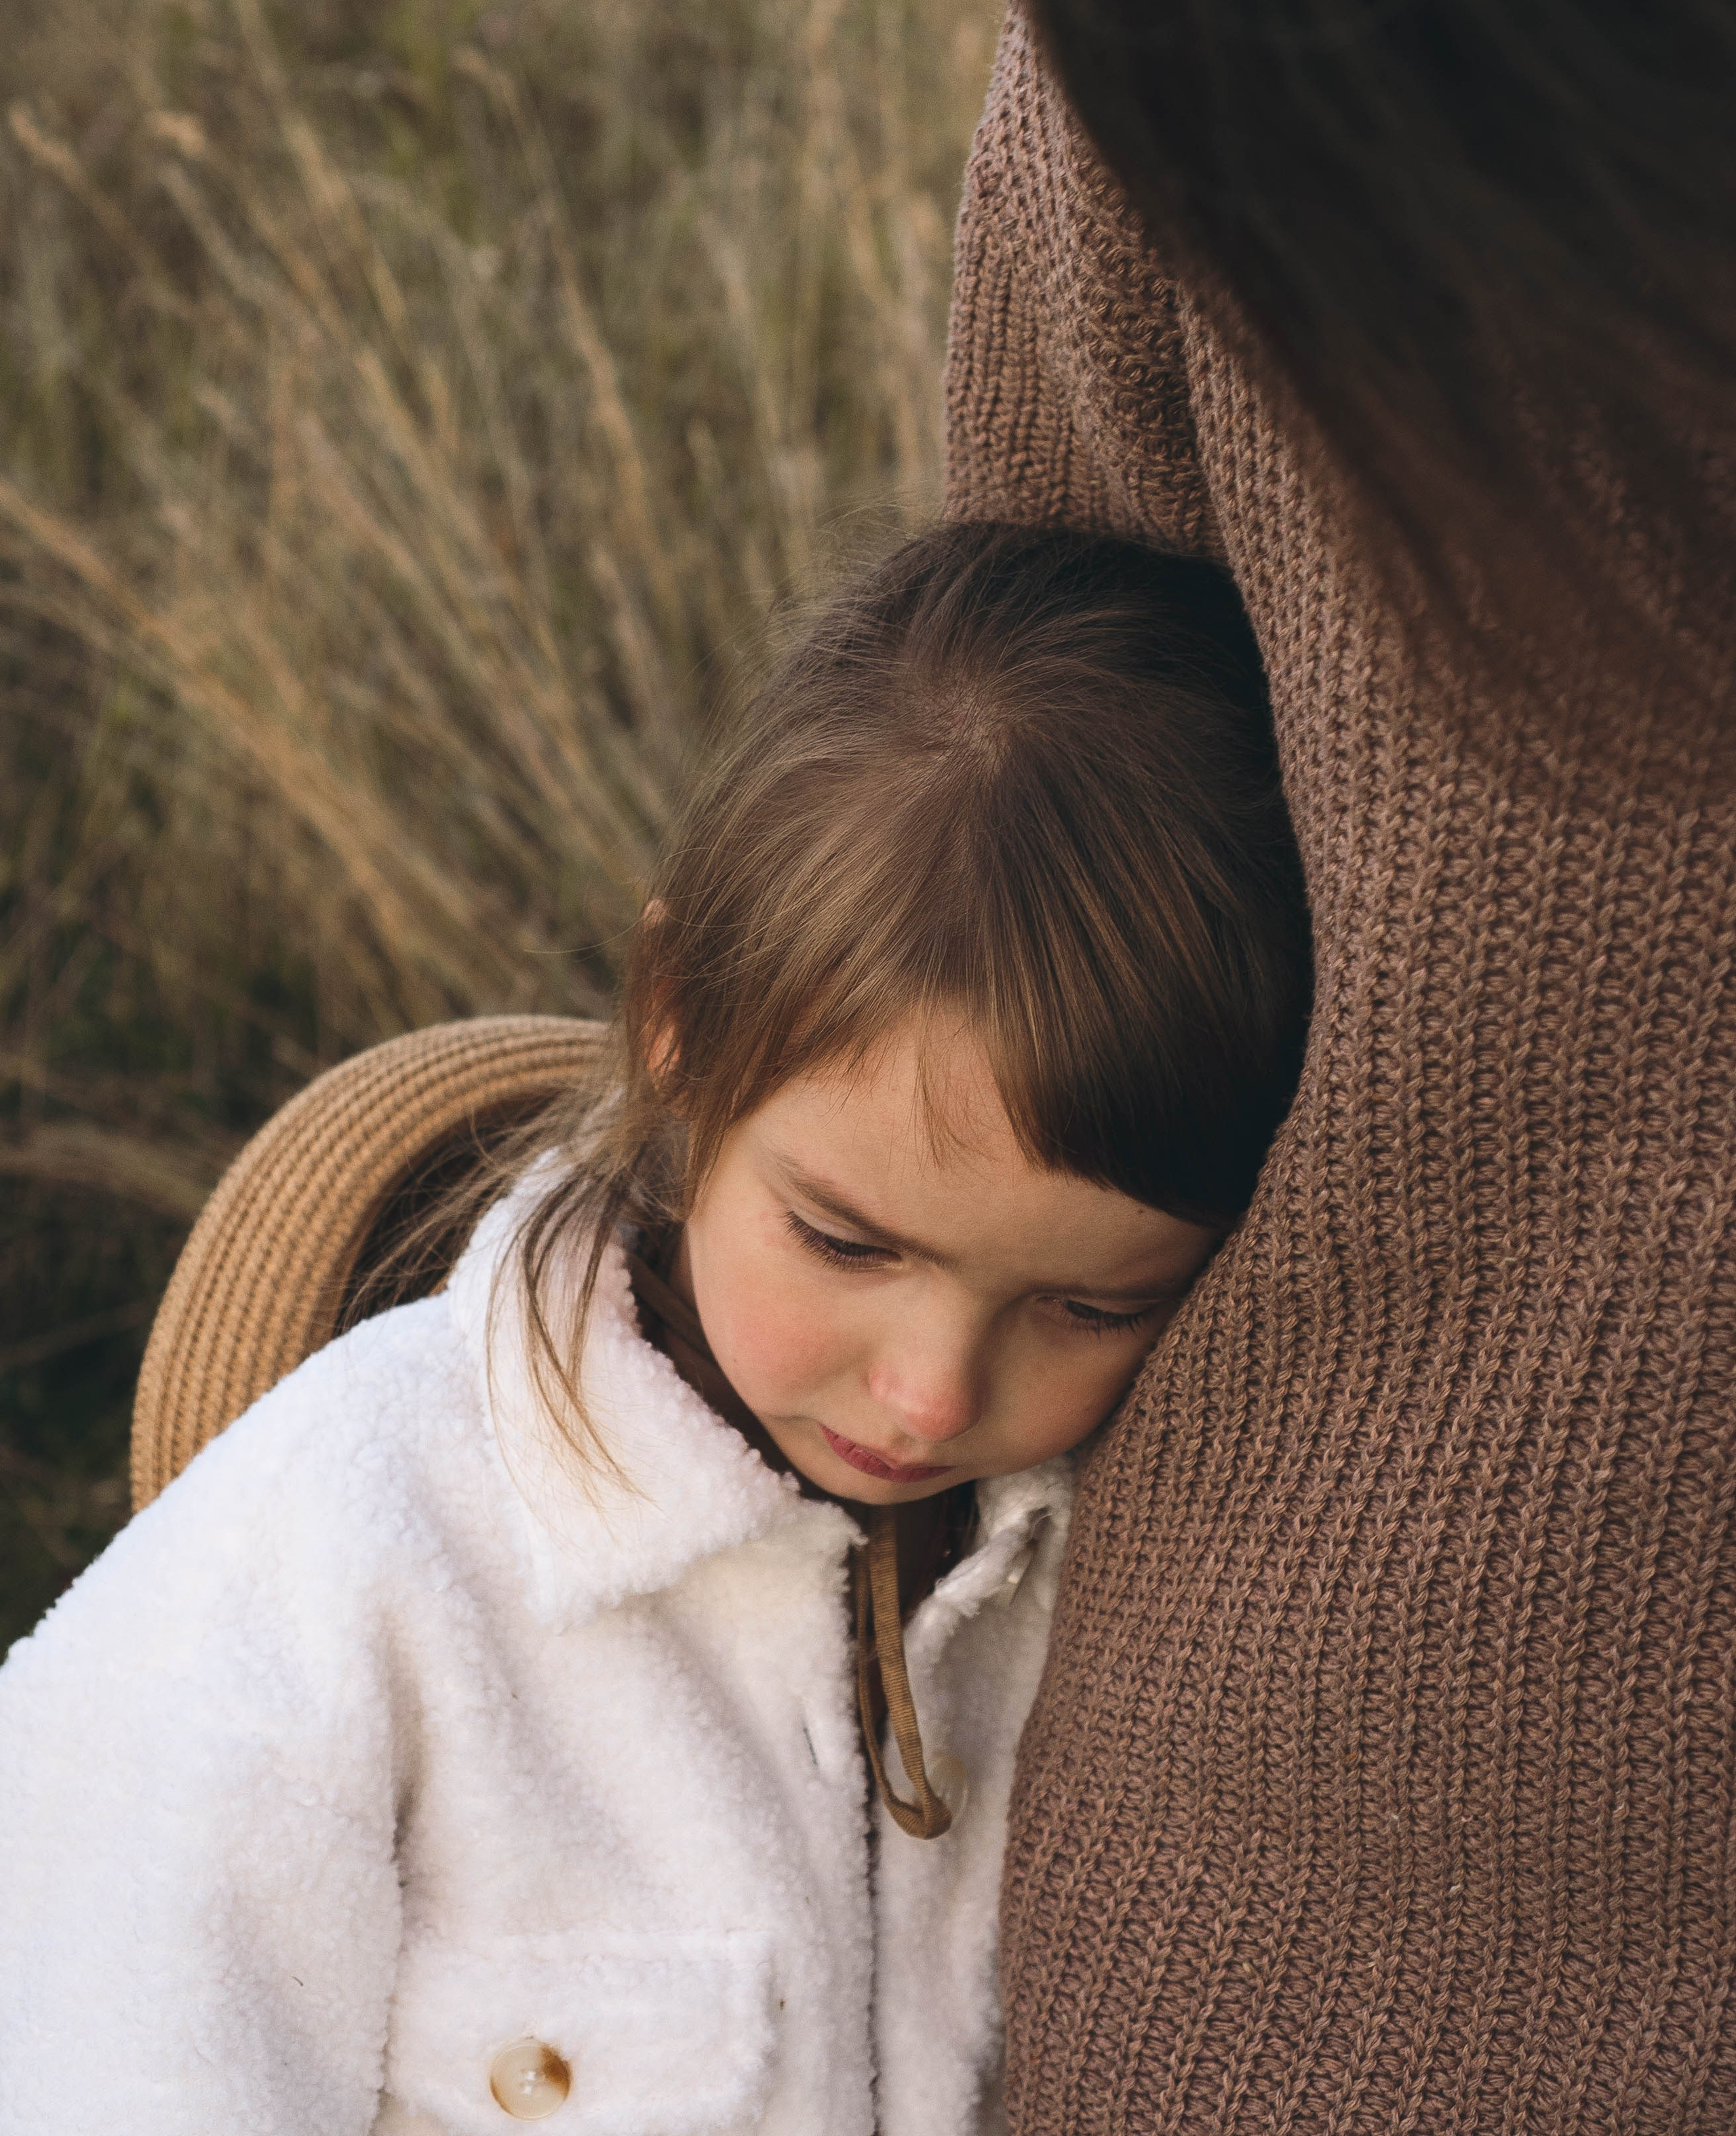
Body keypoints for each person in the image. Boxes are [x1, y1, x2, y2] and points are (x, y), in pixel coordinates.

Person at [0, 523, 1309, 2136]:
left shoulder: (1143, 1586)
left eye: (1090, 1303)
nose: (929, 1390)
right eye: (842, 1239)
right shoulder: (344, 1555)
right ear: (679, 1018)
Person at [951, 0, 1736, 2127]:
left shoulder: (1192, 29)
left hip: (1252, 1903)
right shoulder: (1178, 69)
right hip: (1286, 1887)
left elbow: (1019, 921)